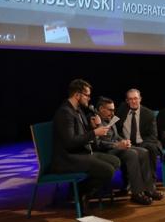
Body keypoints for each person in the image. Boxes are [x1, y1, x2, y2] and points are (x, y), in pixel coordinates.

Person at [50, 79, 120, 211]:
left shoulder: (78, 110)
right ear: (77, 95)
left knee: (115, 161)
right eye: (87, 95)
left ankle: (82, 192)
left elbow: (81, 135)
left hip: (80, 153)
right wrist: (94, 132)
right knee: (108, 170)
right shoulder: (65, 112)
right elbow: (70, 142)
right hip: (67, 158)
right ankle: (80, 193)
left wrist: (91, 128)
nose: (89, 98)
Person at [95, 97, 164, 204]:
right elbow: (97, 143)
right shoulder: (94, 120)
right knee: (132, 154)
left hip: (117, 147)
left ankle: (149, 189)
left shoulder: (110, 118)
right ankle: (137, 193)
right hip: (106, 151)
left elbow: (116, 135)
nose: (113, 113)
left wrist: (124, 141)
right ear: (101, 109)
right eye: (110, 110)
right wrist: (116, 145)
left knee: (144, 152)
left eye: (113, 109)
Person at [115, 88, 162, 185]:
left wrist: (140, 145)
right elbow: (116, 128)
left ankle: (151, 182)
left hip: (144, 142)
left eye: (136, 98)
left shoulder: (148, 114)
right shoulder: (121, 110)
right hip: (126, 142)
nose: (133, 101)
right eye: (130, 99)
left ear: (140, 99)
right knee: (125, 150)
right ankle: (128, 182)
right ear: (127, 101)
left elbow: (153, 136)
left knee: (151, 148)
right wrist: (122, 140)